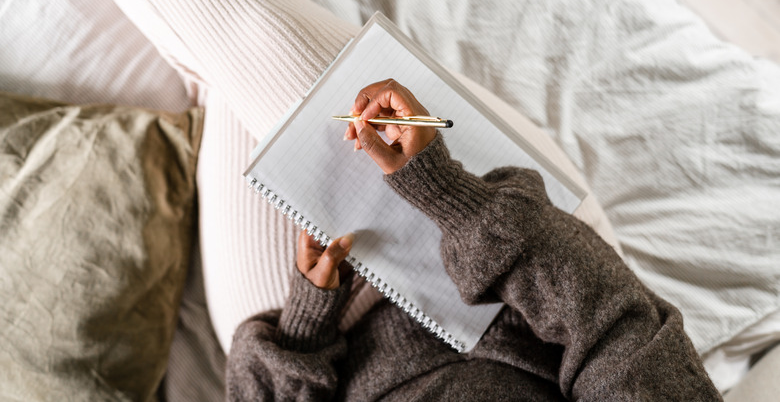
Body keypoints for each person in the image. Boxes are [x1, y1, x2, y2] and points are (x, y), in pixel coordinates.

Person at [225, 79, 722, 401]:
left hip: (322, 339)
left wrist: (305, 328)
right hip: (523, 277)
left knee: (229, 84)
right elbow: (612, 328)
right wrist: (450, 195)